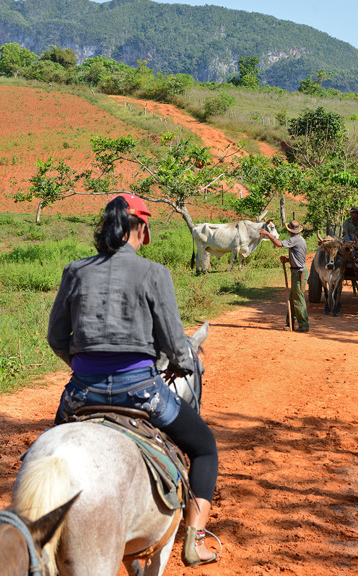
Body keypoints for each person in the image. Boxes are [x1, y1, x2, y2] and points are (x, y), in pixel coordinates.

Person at [47, 194, 219, 567]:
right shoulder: (154, 273)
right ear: (139, 227)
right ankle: (195, 540)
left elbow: (57, 338)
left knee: (47, 454)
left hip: (80, 393)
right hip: (141, 392)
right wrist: (181, 363)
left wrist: (82, 365)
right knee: (205, 446)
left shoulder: (75, 271)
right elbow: (175, 344)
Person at [260, 219, 309, 333]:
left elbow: (279, 244)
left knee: (298, 299)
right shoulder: (299, 239)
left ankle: (304, 325)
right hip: (297, 271)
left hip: (299, 273)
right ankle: (290, 323)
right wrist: (288, 260)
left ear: (290, 231)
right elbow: (298, 257)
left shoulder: (295, 239)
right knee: (292, 298)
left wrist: (268, 234)